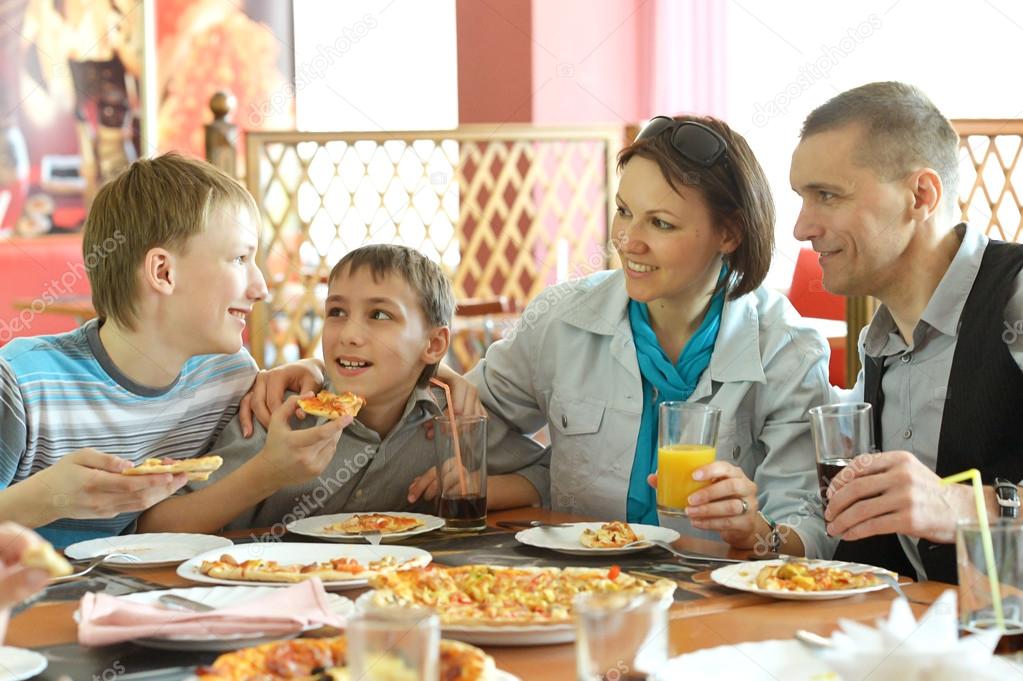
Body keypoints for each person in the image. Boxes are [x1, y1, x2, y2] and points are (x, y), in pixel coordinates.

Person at [253, 116, 835, 557]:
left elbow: (808, 531)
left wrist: (757, 531)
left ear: (729, 233)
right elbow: (455, 419)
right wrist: (325, 375)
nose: (627, 241)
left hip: (718, 598)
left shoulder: (787, 349)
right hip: (576, 587)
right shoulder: (561, 318)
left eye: (660, 223)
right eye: (624, 212)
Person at [0, 153, 336, 548]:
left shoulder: (227, 376)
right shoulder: (19, 386)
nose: (260, 288)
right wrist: (46, 499)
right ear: (163, 272)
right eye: (240, 258)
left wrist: (309, 372)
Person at [790, 81, 1023, 582]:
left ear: (921, 196)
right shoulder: (878, 347)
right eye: (802, 198)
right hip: (922, 624)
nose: (801, 228)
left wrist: (964, 505)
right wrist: (764, 534)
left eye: (827, 195)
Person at [161, 244, 548, 533]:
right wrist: (269, 472)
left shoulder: (454, 423)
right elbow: (159, 526)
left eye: (379, 315)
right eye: (337, 312)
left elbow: (551, 474)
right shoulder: (279, 415)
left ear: (433, 344)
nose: (348, 334)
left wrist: (481, 486)